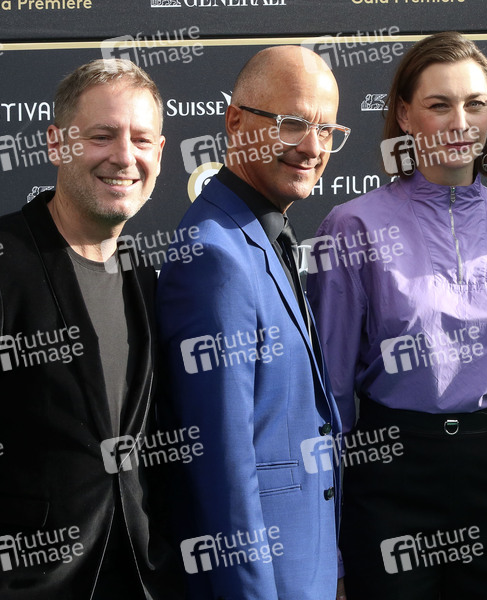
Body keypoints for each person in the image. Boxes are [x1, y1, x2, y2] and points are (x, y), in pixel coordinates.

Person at [307, 31, 487, 600]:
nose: (460, 122)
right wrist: (324, 555)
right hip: (389, 486)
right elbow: (328, 405)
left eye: (474, 104)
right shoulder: (352, 227)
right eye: (439, 105)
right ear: (404, 115)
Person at [0, 59, 181, 599]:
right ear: (56, 144)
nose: (124, 157)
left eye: (141, 139)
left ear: (160, 154)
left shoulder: (144, 276)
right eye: (102, 136)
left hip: (137, 579)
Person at [156, 46, 348, 600]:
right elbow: (221, 466)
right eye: (293, 124)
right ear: (235, 121)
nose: (312, 147)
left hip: (306, 568)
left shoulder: (263, 236)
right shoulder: (214, 257)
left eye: (327, 130)